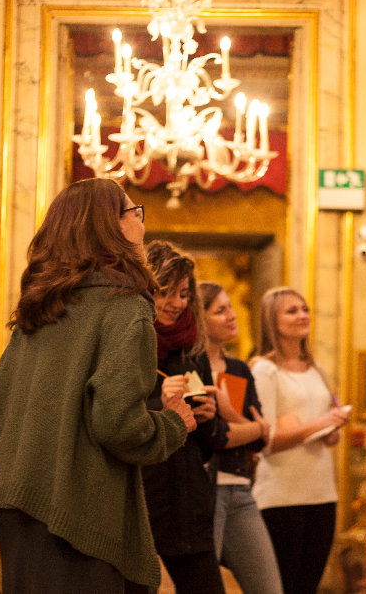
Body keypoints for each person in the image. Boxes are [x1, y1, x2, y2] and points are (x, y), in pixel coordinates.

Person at [0, 178, 196, 594]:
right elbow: (117, 423)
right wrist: (173, 425)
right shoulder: (125, 305)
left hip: (14, 500)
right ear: (107, 226)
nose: (141, 224)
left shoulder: (39, 305)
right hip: (75, 510)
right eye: (134, 212)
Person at [250, 287, 351, 594]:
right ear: (272, 320)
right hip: (281, 495)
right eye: (292, 311)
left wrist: (330, 432)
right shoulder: (265, 370)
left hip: (321, 492)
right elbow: (265, 440)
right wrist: (319, 423)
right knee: (283, 587)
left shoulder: (316, 369)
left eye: (305, 309)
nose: (302, 315)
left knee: (308, 586)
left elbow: (320, 423)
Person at [141, 241, 228, 594]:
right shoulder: (126, 343)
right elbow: (107, 422)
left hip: (188, 507)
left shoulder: (193, 350)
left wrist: (209, 417)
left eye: (184, 293)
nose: (178, 304)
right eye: (168, 292)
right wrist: (156, 402)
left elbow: (207, 445)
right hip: (141, 502)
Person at [199, 281, 283, 594]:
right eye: (221, 310)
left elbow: (261, 441)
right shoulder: (191, 367)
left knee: (269, 588)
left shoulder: (238, 369)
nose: (233, 315)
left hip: (240, 488)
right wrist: (255, 427)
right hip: (206, 489)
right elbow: (214, 437)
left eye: (231, 307)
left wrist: (235, 419)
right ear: (200, 317)